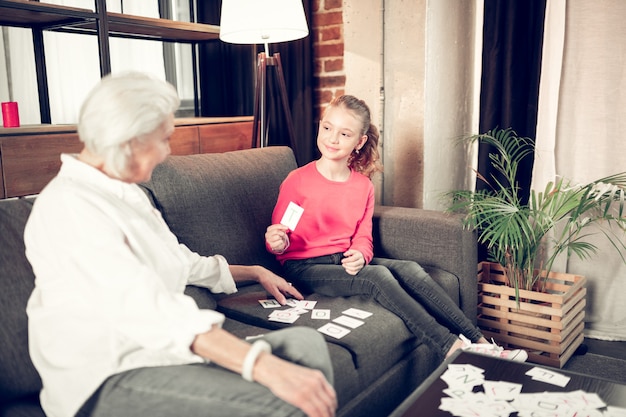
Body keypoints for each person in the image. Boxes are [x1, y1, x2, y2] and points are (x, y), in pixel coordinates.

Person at [24, 72, 337, 417]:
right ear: (129, 140)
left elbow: (181, 262)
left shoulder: (126, 193)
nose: (167, 152)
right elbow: (144, 309)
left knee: (305, 344)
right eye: (163, 139)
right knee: (284, 399)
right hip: (106, 376)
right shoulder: (70, 206)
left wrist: (255, 271)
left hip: (163, 355)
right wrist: (260, 366)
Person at [265, 94, 527, 364]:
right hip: (303, 267)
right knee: (377, 277)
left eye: (344, 134)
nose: (332, 139)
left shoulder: (362, 187)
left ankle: (482, 342)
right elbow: (280, 238)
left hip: (342, 261)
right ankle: (450, 348)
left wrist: (360, 253)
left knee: (411, 269)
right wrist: (277, 241)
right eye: (327, 128)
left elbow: (363, 236)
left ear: (360, 141)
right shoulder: (298, 181)